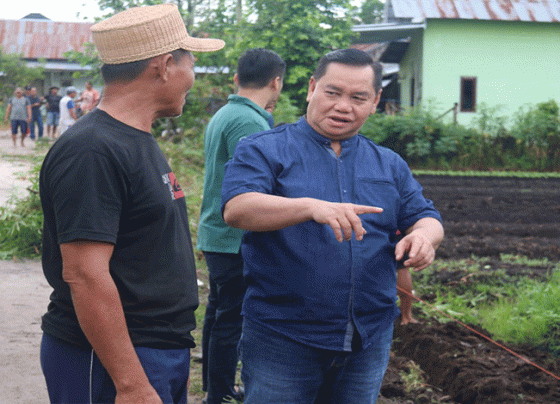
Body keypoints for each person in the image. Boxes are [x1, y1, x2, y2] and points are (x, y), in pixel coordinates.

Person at [221, 48, 444, 404]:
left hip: (367, 337)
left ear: (375, 101)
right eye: (332, 92)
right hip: (283, 336)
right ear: (312, 88)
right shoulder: (264, 149)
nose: (343, 106)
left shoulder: (389, 164)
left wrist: (423, 238)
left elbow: (426, 216)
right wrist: (310, 207)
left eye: (358, 98)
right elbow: (238, 209)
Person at [39, 4, 224, 404]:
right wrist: (131, 383)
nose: (192, 77)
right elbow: (85, 274)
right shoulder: (93, 150)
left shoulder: (135, 139)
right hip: (113, 359)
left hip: (154, 351)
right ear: (163, 66)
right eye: (191, 62)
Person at [197, 48, 285, 404]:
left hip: (216, 232)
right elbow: (255, 186)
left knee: (219, 313)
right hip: (233, 237)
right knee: (231, 319)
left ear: (236, 78)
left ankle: (214, 388)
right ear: (276, 82)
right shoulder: (250, 122)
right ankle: (218, 393)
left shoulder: (227, 113)